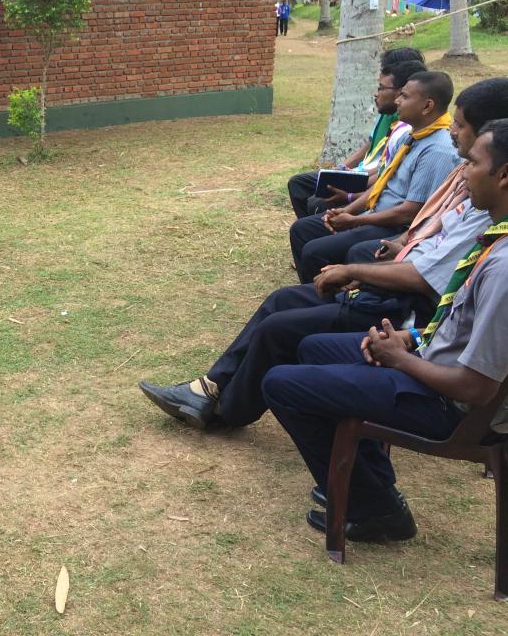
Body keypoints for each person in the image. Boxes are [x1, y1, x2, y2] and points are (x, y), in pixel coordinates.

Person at [139, 78, 508, 430]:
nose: (451, 130)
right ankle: (210, 391)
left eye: (459, 126)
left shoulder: (482, 210)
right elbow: (424, 229)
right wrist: (369, 222)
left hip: (405, 308)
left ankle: (223, 406)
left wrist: (356, 271)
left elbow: (427, 274)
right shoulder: (466, 183)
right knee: (283, 300)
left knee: (281, 326)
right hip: (406, 297)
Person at [262, 118, 508, 541]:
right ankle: (371, 485)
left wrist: (400, 359)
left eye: (471, 163)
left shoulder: (504, 268)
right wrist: (410, 340)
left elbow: (476, 389)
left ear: (503, 176)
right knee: (314, 348)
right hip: (436, 368)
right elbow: (464, 332)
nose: (462, 172)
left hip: (451, 407)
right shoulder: (495, 239)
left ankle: (376, 511)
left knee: (281, 384)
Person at [289, 70, 460, 284]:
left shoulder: (437, 150)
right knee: (302, 229)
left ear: (427, 106)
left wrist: (354, 221)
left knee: (316, 251)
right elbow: (382, 183)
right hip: (375, 211)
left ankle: (330, 301)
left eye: (405, 96)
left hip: (394, 225)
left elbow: (410, 213)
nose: (398, 100)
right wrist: (348, 209)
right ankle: (313, 289)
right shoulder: (410, 135)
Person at [286, 49, 426, 218]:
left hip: (371, 180)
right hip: (364, 174)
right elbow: (371, 142)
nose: (376, 91)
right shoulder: (385, 111)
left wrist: (353, 189)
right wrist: (344, 168)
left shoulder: (406, 123)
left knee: (317, 205)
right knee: (298, 184)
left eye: (382, 86)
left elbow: (388, 170)